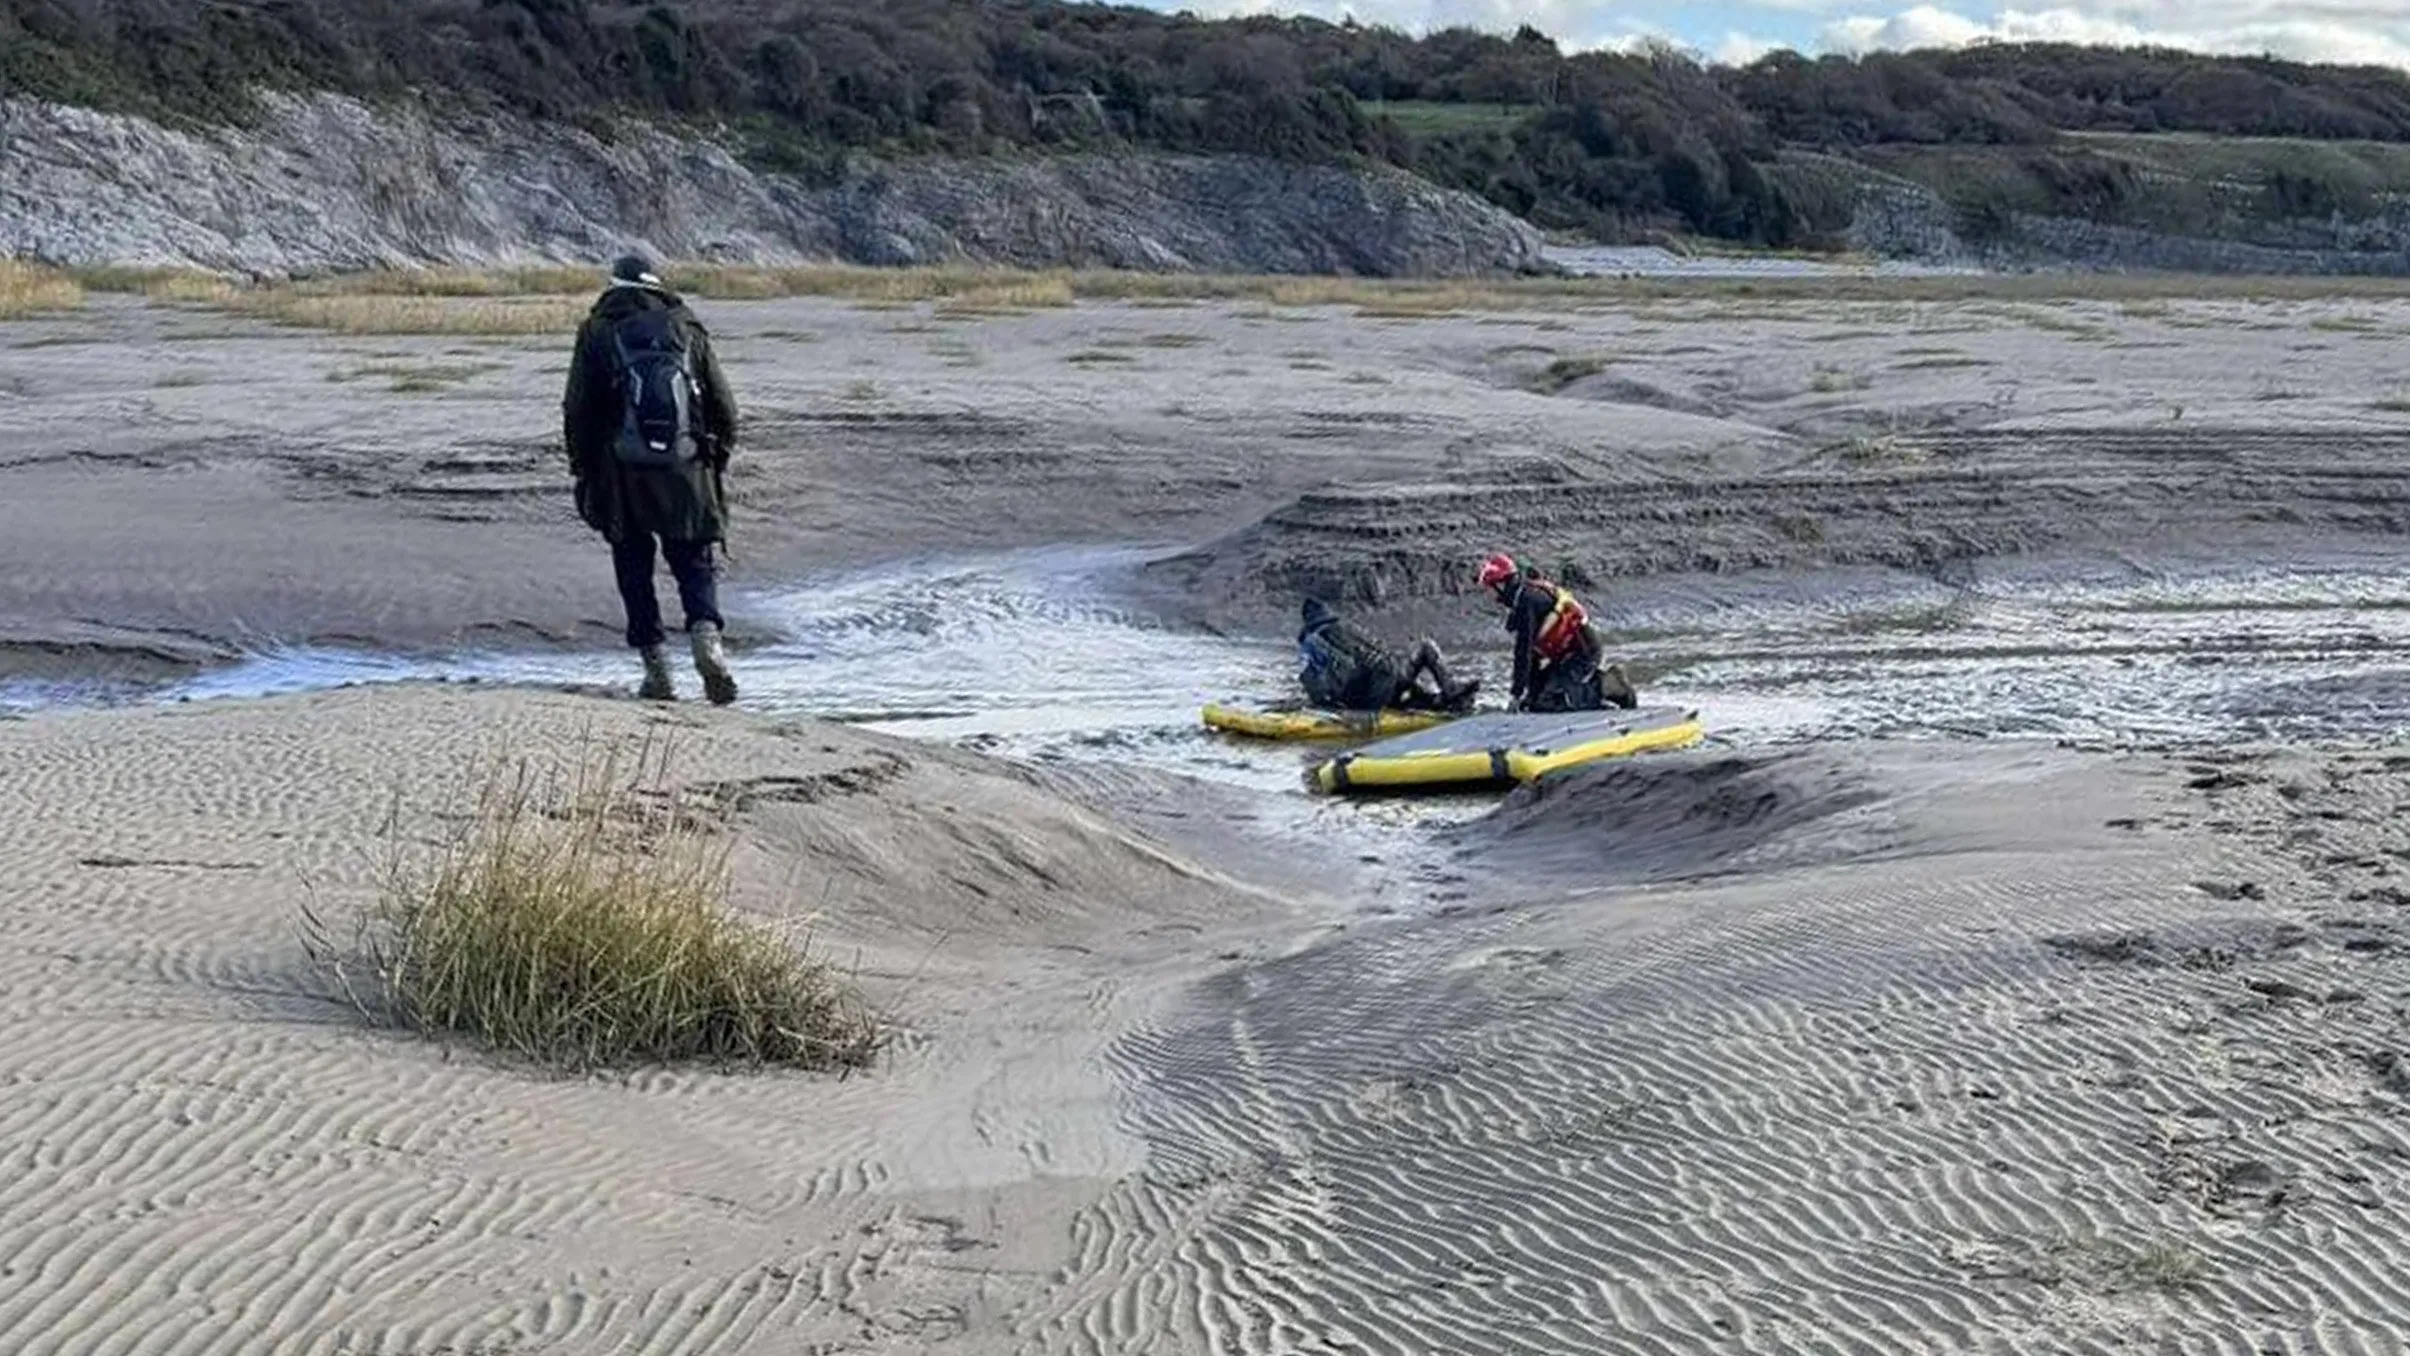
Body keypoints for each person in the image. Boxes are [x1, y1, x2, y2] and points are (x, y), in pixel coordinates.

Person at [563, 253, 742, 704]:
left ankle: (657, 669)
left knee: (633, 568)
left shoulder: (598, 330)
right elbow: (724, 404)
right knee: (694, 561)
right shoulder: (685, 325)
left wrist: (583, 468)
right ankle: (707, 643)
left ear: (614, 285)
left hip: (621, 472)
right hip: (686, 467)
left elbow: (578, 409)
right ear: (656, 285)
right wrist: (716, 455)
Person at [1476, 553, 1638, 713]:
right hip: (1567, 656)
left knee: (1552, 702)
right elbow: (1532, 657)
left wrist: (1516, 695)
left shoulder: (1527, 604)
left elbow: (1523, 653)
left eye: (1489, 588)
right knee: (1535, 702)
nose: (1489, 595)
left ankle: (1610, 688)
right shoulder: (1527, 596)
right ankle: (1595, 683)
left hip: (1583, 653)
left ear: (1501, 584)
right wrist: (1529, 695)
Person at [1298, 597, 1480, 713]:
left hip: (1362, 694)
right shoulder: (1336, 635)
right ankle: (1448, 691)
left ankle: (1438, 698)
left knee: (1401, 678)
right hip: (1372, 693)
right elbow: (1380, 667)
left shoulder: (1311, 644)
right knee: (1424, 646)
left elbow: (1312, 682)